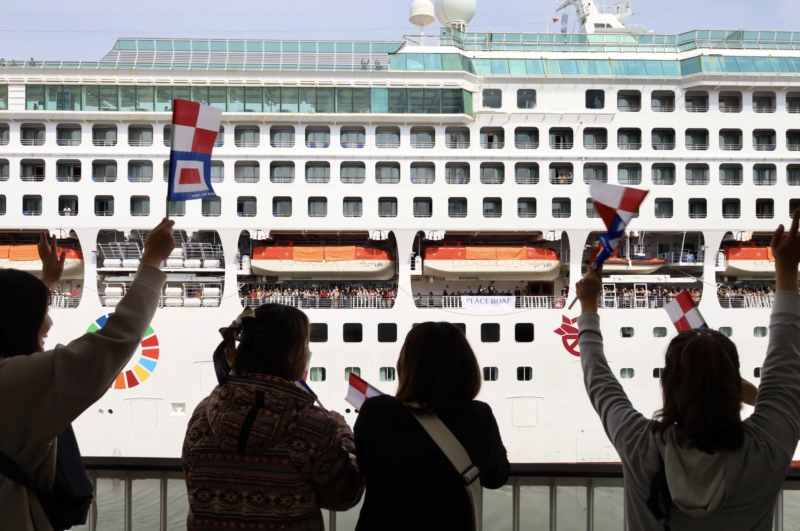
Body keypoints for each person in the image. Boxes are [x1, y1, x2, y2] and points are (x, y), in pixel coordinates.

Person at [574, 209, 800, 530]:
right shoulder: (765, 448)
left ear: (667, 384)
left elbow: (598, 379)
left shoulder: (639, 444)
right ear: (733, 385)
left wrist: (588, 306)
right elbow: (786, 354)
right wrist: (787, 269)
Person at [0, 218, 175, 531]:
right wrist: (152, 261)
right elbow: (116, 339)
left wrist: (46, 282)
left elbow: (11, 315)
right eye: (43, 313)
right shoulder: (12, 383)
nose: (50, 324)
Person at [182, 303, 363, 530]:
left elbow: (191, 476)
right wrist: (344, 433)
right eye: (305, 345)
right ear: (291, 355)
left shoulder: (203, 413)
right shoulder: (315, 426)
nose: (308, 353)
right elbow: (344, 496)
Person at [354, 322, 510, 530]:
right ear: (466, 366)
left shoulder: (377, 412)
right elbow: (496, 477)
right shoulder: (479, 416)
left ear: (407, 365)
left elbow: (363, 465)